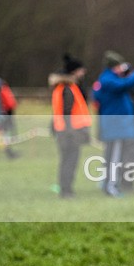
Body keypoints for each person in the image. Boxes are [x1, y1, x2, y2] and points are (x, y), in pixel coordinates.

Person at [92, 50, 134, 197]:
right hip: (115, 126)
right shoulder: (109, 80)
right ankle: (111, 186)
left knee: (112, 156)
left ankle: (108, 183)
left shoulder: (107, 79)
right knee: (114, 158)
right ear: (114, 66)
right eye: (119, 66)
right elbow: (126, 84)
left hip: (114, 125)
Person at [49, 54, 92, 198]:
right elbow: (67, 112)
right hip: (69, 132)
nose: (83, 72)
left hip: (65, 130)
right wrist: (71, 132)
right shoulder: (67, 89)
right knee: (69, 161)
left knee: (66, 161)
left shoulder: (64, 87)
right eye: (80, 70)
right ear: (74, 72)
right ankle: (66, 190)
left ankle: (66, 188)